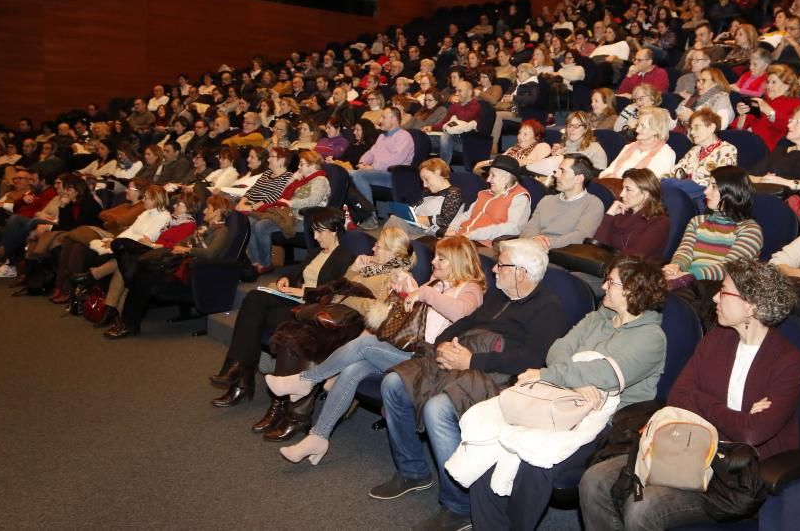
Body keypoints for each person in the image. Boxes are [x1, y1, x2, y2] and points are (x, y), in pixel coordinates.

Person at [580, 260, 800, 530]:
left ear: (751, 306)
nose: (714, 298)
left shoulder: (789, 361)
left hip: (735, 473)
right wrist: (733, 415)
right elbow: (679, 397)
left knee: (644, 506)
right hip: (688, 446)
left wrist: (702, 401)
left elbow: (751, 434)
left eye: (724, 292)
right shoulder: (716, 339)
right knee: (594, 480)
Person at [369, 238, 571, 531]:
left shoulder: (548, 310)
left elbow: (533, 359)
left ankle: (458, 506)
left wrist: (472, 361)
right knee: (392, 384)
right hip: (465, 359)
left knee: (438, 408)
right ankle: (412, 471)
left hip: (500, 378)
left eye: (502, 265)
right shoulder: (500, 296)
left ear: (522, 273)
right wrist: (442, 345)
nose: (495, 270)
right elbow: (467, 322)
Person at [464, 257, 669, 531]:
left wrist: (551, 375)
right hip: (561, 399)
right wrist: (575, 382)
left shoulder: (651, 338)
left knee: (535, 462)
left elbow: (606, 374)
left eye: (612, 282)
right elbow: (557, 350)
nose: (604, 286)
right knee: (489, 440)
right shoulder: (599, 317)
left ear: (633, 290)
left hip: (606, 422)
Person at [267, 235, 485, 465]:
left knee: (364, 344)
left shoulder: (471, 288)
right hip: (407, 347)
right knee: (353, 369)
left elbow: (461, 312)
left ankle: (306, 381)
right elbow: (412, 320)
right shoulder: (435, 283)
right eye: (435, 257)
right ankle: (318, 436)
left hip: (427, 358)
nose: (433, 263)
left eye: (442, 259)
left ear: (458, 260)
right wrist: (403, 293)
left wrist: (424, 294)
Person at [209, 208, 355, 407]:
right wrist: (285, 279)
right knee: (254, 297)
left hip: (311, 309)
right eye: (313, 231)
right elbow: (296, 274)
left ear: (334, 230)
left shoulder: (345, 256)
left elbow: (335, 294)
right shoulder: (315, 253)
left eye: (319, 232)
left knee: (253, 319)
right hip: (296, 300)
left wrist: (303, 292)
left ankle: (240, 378)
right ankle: (239, 372)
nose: (314, 236)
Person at [103, 195, 233, 338]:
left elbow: (210, 254)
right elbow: (182, 242)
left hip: (193, 273)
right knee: (138, 269)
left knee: (142, 277)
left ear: (216, 212)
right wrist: (182, 248)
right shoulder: (203, 228)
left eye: (208, 208)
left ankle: (128, 323)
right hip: (180, 264)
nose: (204, 212)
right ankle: (128, 322)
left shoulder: (222, 231)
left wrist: (187, 250)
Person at [664, 166, 763, 283]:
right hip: (688, 282)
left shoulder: (750, 229)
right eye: (708, 185)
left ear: (732, 191)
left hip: (718, 288)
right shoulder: (697, 221)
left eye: (714, 187)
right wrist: (676, 267)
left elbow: (729, 269)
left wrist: (689, 276)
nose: (706, 191)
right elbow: (684, 253)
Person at [245, 150, 330, 274]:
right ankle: (255, 262)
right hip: (289, 214)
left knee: (261, 226)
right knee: (249, 220)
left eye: (302, 164)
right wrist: (291, 180)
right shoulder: (302, 180)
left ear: (312, 165)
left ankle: (265, 264)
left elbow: (313, 201)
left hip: (303, 219)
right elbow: (283, 195)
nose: (298, 167)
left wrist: (290, 203)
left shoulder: (320, 180)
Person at [519, 154, 603, 251]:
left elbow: (581, 236)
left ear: (578, 178)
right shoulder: (547, 200)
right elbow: (529, 228)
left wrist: (546, 244)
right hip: (532, 249)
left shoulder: (593, 204)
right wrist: (534, 239)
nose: (556, 174)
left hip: (561, 255)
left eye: (562, 171)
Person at [447, 156, 531, 247]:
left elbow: (513, 228)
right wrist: (452, 228)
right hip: (462, 238)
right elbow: (467, 215)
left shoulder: (519, 197)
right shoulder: (484, 193)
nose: (488, 179)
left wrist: (473, 235)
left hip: (483, 244)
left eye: (493, 175)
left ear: (506, 178)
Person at [349, 107, 414, 224]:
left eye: (383, 117)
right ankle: (355, 215)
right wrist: (362, 163)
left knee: (359, 176)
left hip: (395, 177)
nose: (380, 120)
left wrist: (373, 167)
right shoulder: (382, 137)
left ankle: (370, 217)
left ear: (394, 119)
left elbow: (396, 159)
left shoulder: (404, 136)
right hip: (378, 173)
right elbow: (371, 153)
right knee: (347, 174)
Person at [590, 168, 671, 260]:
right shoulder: (621, 213)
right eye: (623, 188)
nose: (622, 194)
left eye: (628, 189)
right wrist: (609, 216)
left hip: (631, 272)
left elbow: (634, 257)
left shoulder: (659, 222)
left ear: (645, 194)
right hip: (603, 266)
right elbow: (596, 246)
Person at [731, 64, 800, 151]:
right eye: (768, 82)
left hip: (763, 148)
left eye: (773, 82)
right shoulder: (764, 101)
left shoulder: (796, 104)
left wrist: (769, 111)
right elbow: (738, 130)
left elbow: (788, 127)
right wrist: (742, 115)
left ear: (787, 86)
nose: (769, 86)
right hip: (744, 141)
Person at [384, 159, 464, 238]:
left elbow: (443, 221)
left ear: (438, 172)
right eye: (422, 181)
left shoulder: (454, 192)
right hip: (417, 227)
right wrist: (404, 215)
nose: (424, 185)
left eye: (426, 179)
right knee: (395, 220)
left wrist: (415, 219)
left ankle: (384, 247)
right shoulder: (427, 192)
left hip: (431, 231)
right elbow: (413, 209)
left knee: (396, 223)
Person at [600, 108, 675, 179]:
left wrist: (620, 183)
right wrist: (608, 177)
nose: (637, 130)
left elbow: (651, 185)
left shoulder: (666, 154)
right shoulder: (629, 147)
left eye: (642, 126)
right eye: (637, 125)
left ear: (656, 130)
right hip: (612, 186)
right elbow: (607, 171)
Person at [672, 108, 738, 188]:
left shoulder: (727, 150)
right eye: (691, 128)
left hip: (707, 195)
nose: (692, 132)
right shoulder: (694, 150)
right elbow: (676, 171)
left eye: (696, 127)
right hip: (686, 191)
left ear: (711, 128)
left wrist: (687, 183)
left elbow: (721, 182)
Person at [474, 119, 551, 175]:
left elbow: (536, 167)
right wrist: (484, 163)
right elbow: (500, 160)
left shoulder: (542, 147)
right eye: (519, 133)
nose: (520, 137)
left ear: (536, 137)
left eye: (525, 134)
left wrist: (519, 163)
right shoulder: (512, 149)